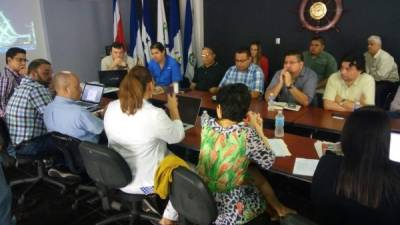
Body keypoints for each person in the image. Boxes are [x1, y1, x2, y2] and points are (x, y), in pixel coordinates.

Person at [103, 66, 184, 220]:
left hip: (117, 179)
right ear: (150, 85)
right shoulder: (154, 114)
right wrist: (173, 109)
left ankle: (146, 205)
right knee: (188, 173)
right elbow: (178, 136)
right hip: (147, 187)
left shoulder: (112, 107)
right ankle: (168, 218)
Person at [196, 83, 278, 224]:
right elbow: (269, 160)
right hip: (229, 211)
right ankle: (275, 213)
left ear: (219, 109)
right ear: (246, 112)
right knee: (258, 191)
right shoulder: (247, 134)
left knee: (250, 175)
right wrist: (258, 129)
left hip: (200, 197)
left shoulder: (206, 123)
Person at [312, 106, 400, 225]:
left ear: (346, 135)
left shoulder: (327, 164)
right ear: (385, 139)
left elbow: (317, 207)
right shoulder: (395, 175)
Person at [5, 59, 53, 156]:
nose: (50, 77)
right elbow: (53, 120)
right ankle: (66, 169)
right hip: (30, 145)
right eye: (46, 73)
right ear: (33, 74)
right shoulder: (37, 88)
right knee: (70, 140)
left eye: (51, 73)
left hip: (17, 145)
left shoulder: (22, 86)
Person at [44, 71, 104, 143]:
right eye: (77, 86)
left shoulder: (48, 108)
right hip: (92, 150)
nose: (81, 90)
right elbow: (103, 129)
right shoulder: (79, 112)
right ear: (67, 90)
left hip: (65, 151)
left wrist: (92, 116)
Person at [364, 35, 399, 108]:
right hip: (373, 79)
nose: (369, 46)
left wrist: (369, 78)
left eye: (371, 44)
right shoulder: (366, 55)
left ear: (378, 46)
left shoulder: (385, 57)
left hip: (389, 82)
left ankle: (377, 112)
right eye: (368, 44)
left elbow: (381, 76)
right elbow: (366, 70)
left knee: (377, 90)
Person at [0, 47, 28, 117]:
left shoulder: (20, 75)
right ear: (9, 60)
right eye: (20, 60)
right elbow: (1, 101)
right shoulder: (6, 77)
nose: (23, 63)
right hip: (10, 119)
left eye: (25, 60)